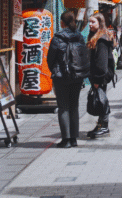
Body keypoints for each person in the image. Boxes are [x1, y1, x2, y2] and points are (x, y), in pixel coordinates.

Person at [46, 10, 85, 148]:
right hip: (77, 75)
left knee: (63, 107)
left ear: (62, 22)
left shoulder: (57, 38)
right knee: (74, 106)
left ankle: (66, 139)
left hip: (61, 76)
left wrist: (55, 70)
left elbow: (50, 59)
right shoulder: (79, 36)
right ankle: (74, 139)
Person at [86, 12, 115, 138]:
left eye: (93, 22)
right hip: (99, 75)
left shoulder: (102, 39)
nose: (90, 24)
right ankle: (101, 125)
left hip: (101, 75)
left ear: (100, 23)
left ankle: (104, 126)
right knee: (100, 99)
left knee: (102, 100)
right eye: (90, 22)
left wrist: (97, 80)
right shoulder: (98, 36)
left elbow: (102, 64)